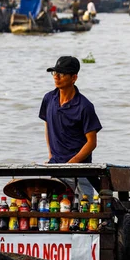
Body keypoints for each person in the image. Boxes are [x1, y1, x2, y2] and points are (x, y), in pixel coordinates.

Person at [39, 56, 102, 198]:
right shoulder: (48, 99)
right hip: (56, 167)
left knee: (86, 211)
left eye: (61, 74)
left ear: (74, 78)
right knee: (57, 209)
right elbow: (48, 126)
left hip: (81, 170)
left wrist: (72, 164)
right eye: (54, 73)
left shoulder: (85, 106)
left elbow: (92, 142)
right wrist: (51, 155)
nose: (56, 77)